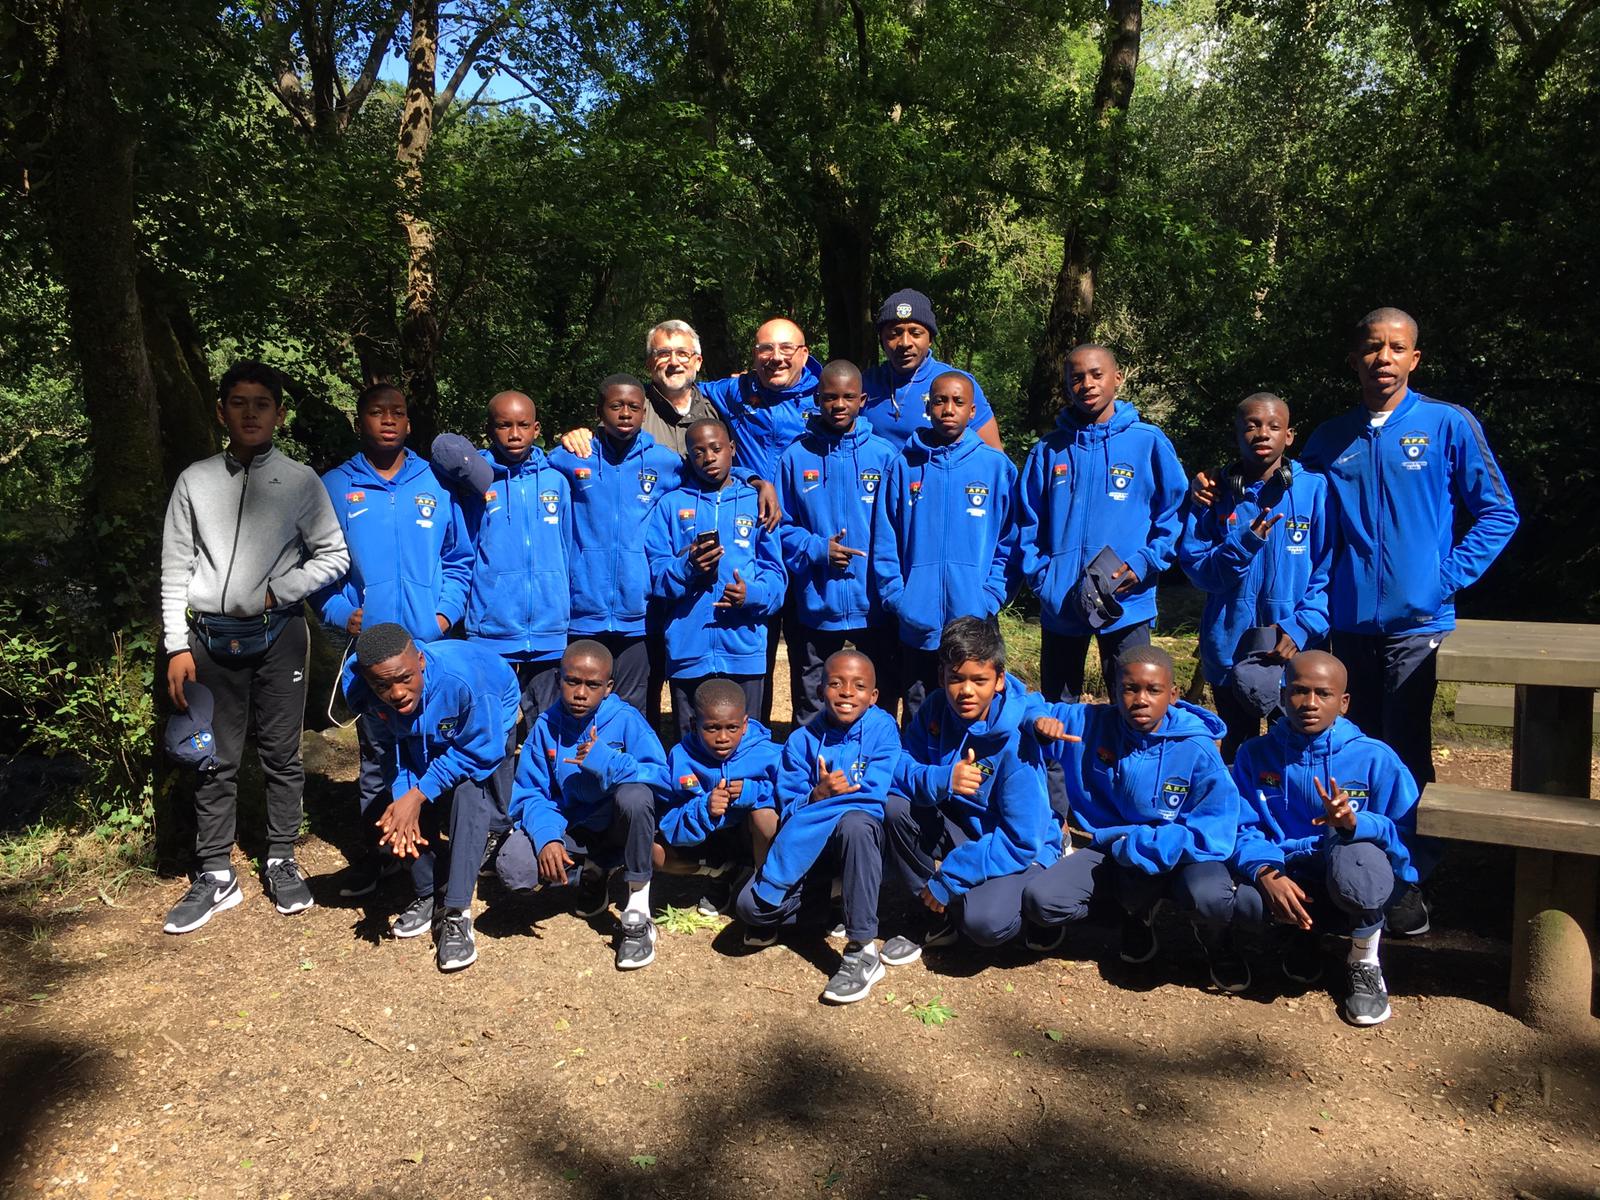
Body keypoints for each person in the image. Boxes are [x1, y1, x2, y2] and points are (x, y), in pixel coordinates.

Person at [1193, 307, 1518, 935]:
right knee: (1344, 751)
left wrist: (1442, 580)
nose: (1383, 358)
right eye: (1372, 347)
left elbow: (1498, 512)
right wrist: (1215, 490)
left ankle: (1409, 876)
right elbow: (1280, 490)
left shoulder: (1447, 425)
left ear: (1414, 358)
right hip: (1343, 629)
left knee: (1404, 750)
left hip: (1416, 624)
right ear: (1355, 359)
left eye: (1396, 347)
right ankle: (1334, 868)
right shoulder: (1329, 438)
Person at [159, 360, 350, 935]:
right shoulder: (194, 480)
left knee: (281, 754)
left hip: (280, 636)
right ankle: (216, 873)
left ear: (279, 415)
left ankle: (281, 857)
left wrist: (277, 591)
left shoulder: (301, 481)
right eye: (238, 403)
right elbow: (175, 566)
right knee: (213, 756)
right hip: (207, 640)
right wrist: (175, 645)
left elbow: (333, 555)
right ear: (221, 411)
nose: (250, 413)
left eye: (261, 404)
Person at [317, 384, 473, 898]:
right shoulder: (334, 486)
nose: (388, 420)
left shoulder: (436, 481)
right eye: (376, 412)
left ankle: (439, 856)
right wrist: (342, 613)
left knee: (439, 746)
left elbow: (459, 557)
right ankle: (378, 857)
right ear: (359, 420)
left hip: (431, 646)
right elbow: (319, 566)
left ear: (409, 423)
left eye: (397, 413)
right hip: (374, 654)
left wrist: (444, 614)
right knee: (378, 759)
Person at [1020, 646, 1242, 989]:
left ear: (1172, 695)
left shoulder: (1196, 748)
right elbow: (1025, 702)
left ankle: (1217, 942)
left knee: (1211, 896)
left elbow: (1217, 826)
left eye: (1153, 690)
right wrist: (1036, 720)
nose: (1140, 700)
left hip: (1181, 853)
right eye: (1129, 688)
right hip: (1116, 847)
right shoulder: (1091, 723)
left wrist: (1152, 844)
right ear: (1115, 690)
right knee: (1042, 901)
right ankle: (1134, 915)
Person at [1225, 651, 1420, 1026]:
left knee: (1358, 864)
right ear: (1282, 697)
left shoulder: (1375, 758)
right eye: (1299, 691)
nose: (1309, 703)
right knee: (1240, 898)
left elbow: (1408, 835)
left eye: (1323, 694)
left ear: (1343, 702)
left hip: (1347, 868)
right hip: (1288, 868)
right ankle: (1304, 938)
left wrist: (1355, 824)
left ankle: (1364, 961)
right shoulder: (1255, 754)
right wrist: (1265, 870)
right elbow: (1239, 825)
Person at [881, 618, 1062, 963]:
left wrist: (950, 877)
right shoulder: (935, 708)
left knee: (985, 923)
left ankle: (1040, 906)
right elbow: (899, 764)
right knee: (895, 806)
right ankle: (935, 917)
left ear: (999, 680)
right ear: (941, 677)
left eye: (979, 680)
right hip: (964, 827)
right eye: (956, 678)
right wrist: (942, 779)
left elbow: (1022, 839)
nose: (966, 691)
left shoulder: (1017, 742)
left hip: (1017, 842)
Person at [341, 624, 520, 971]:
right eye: (383, 686)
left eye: (405, 678)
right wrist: (405, 797)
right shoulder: (363, 688)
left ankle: (456, 912)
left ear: (420, 661)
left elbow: (480, 751)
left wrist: (421, 791)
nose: (396, 693)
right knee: (402, 808)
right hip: (418, 729)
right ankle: (426, 892)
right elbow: (388, 748)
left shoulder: (464, 683)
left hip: (486, 713)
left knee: (469, 793)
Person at [1017, 344, 1186, 704]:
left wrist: (1143, 564)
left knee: (1131, 703)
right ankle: (1064, 748)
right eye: (1077, 378)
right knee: (1057, 707)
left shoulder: (1148, 443)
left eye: (1097, 374)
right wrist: (1043, 578)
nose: (1087, 384)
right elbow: (1029, 520)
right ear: (1067, 386)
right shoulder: (1048, 450)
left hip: (1125, 600)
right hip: (1061, 602)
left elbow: (1175, 513)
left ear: (1117, 378)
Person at [735, 650, 900, 1004]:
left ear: (873, 696)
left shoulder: (883, 729)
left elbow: (874, 795)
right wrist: (816, 795)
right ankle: (838, 899)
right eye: (836, 683)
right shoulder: (801, 741)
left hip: (859, 846)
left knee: (856, 822)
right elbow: (788, 807)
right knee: (751, 908)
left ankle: (862, 948)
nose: (847, 692)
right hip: (812, 853)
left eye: (859, 686)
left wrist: (834, 802)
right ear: (820, 689)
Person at [495, 640, 670, 970]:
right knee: (515, 866)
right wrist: (547, 837)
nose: (580, 693)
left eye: (592, 685)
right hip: (572, 826)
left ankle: (637, 908)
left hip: (617, 825)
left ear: (608, 688)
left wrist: (607, 761)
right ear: (559, 679)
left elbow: (662, 777)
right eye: (572, 681)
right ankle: (592, 872)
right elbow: (530, 793)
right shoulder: (546, 726)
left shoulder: (626, 720)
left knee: (635, 796)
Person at [1177, 393, 1330, 760]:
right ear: (1236, 435)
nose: (1263, 433)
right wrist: (1244, 544)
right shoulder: (1212, 495)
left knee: (1293, 751)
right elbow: (1199, 571)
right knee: (1238, 748)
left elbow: (1329, 571)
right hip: (1228, 648)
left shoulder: (1314, 490)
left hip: (1292, 650)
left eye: (1274, 426)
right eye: (1252, 425)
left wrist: (1301, 626)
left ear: (1289, 436)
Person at [871, 372, 1018, 717]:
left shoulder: (995, 467)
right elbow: (886, 538)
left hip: (974, 617)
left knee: (973, 709)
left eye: (958, 402)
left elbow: (1011, 540)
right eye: (939, 401)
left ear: (972, 411)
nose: (948, 409)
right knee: (920, 712)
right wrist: (898, 597)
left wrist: (990, 596)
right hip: (917, 622)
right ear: (928, 407)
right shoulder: (903, 466)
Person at [775, 358, 900, 724]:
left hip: (873, 603)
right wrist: (818, 549)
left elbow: (900, 527)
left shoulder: (884, 456)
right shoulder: (796, 457)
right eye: (830, 397)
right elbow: (781, 527)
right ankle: (812, 757)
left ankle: (875, 757)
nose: (839, 405)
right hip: (817, 602)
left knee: (879, 696)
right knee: (813, 699)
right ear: (817, 399)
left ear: (862, 400)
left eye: (848, 397)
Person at [644, 419, 787, 739]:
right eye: (698, 452)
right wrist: (688, 568)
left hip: (744, 649)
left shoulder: (757, 503)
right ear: (689, 458)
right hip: (688, 650)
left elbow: (776, 575)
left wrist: (752, 594)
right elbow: (656, 574)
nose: (708, 457)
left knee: (746, 742)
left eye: (716, 448)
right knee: (691, 743)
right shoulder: (671, 505)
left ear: (732, 449)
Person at [549, 374, 683, 713]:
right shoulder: (570, 457)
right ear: (599, 411)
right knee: (579, 706)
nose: (625, 413)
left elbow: (711, 474)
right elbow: (523, 466)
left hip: (640, 613)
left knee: (635, 710)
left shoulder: (664, 462)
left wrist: (752, 479)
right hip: (583, 612)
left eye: (634, 407)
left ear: (644, 413)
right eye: (616, 406)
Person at [459, 390, 573, 722]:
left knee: (548, 723)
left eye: (523, 425)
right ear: (489, 430)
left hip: (549, 629)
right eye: (504, 425)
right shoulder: (475, 483)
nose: (514, 434)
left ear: (536, 429)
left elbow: (568, 548)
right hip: (492, 630)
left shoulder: (556, 481)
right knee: (494, 725)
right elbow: (464, 552)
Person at [655, 679, 782, 914]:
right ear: (694, 725)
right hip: (709, 837)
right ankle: (722, 873)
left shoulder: (769, 754)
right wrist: (704, 807)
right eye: (711, 728)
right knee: (654, 853)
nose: (723, 737)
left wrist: (753, 791)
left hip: (750, 837)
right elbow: (668, 819)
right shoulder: (681, 758)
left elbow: (792, 796)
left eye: (732, 728)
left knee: (765, 817)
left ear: (745, 725)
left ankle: (763, 888)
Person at [861, 288, 1003, 450]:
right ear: (881, 340)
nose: (905, 343)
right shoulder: (864, 384)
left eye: (916, 333)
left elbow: (994, 457)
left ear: (930, 339)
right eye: (894, 334)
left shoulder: (959, 384)